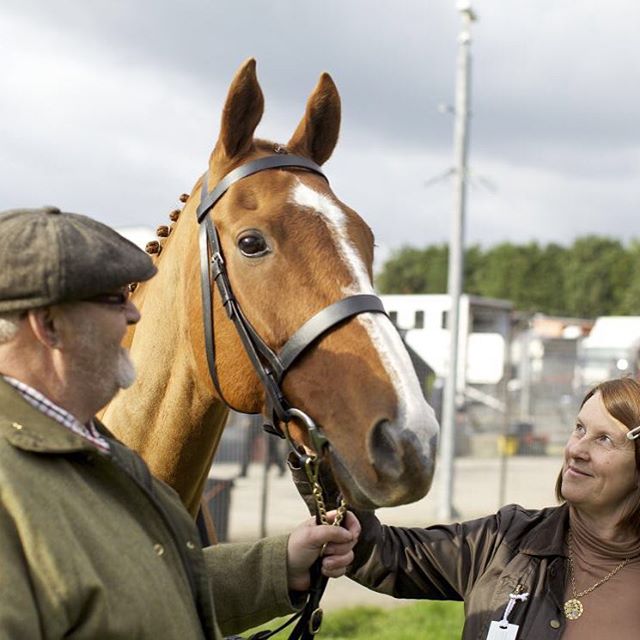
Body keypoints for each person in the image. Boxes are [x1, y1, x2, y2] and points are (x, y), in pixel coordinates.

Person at [0, 206, 360, 639]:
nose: (134, 315)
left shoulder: (93, 445)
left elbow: (141, 586)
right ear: (49, 326)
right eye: (115, 300)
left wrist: (281, 563)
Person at [293, 376, 640, 639]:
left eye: (604, 439)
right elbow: (386, 555)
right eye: (579, 428)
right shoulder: (506, 541)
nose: (576, 449)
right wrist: (315, 454)